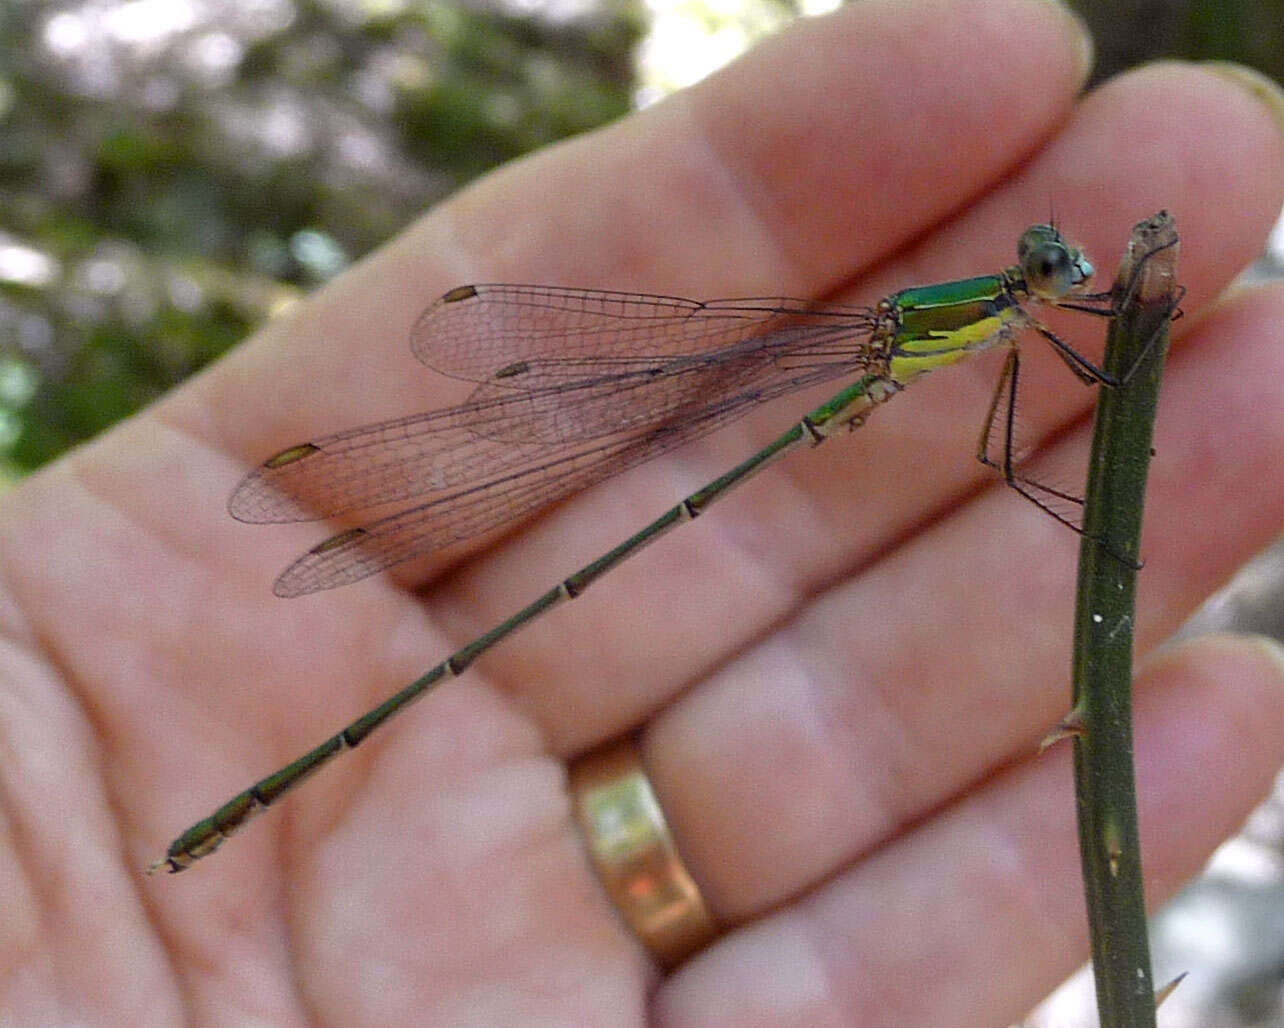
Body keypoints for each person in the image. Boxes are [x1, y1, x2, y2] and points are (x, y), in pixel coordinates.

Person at [5, 0, 1284, 1022]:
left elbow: (1038, 412)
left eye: (1057, 277)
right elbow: (1018, 447)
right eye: (1048, 275)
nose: (1056, 284)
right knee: (1015, 468)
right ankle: (232, 809)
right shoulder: (990, 322)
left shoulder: (1009, 324)